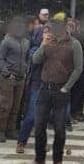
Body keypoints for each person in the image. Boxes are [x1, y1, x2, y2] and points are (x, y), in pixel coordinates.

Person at [32, 12, 83, 164]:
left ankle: (57, 159)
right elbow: (35, 60)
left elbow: (78, 68)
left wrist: (66, 88)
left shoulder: (74, 44)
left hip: (61, 91)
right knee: (39, 126)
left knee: (60, 129)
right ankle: (39, 158)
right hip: (44, 89)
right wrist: (43, 44)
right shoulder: (48, 40)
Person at [16, 9, 50, 154]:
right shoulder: (34, 48)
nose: (47, 36)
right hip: (37, 84)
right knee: (31, 115)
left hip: (49, 84)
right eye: (44, 33)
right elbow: (35, 59)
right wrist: (43, 45)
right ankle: (21, 142)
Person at [0, 17, 30, 142]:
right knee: (6, 106)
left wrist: (26, 71)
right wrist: (6, 72)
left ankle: (10, 130)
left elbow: (27, 58)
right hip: (8, 78)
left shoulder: (26, 42)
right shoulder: (7, 41)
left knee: (16, 106)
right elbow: (0, 59)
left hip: (21, 78)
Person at [68, 18, 84, 123]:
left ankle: (78, 112)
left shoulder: (79, 37)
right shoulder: (72, 39)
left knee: (81, 92)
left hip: (83, 68)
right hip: (76, 69)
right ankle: (73, 113)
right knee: (76, 93)